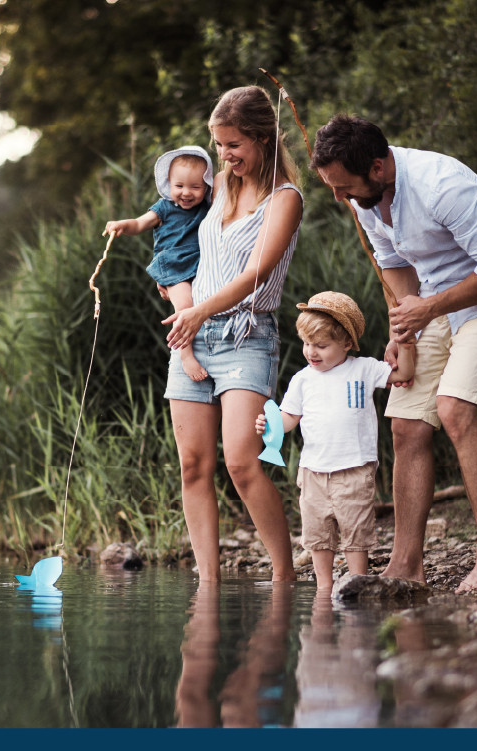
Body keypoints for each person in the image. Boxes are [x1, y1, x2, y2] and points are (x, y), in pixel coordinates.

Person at [311, 114, 477, 594]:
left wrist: (427, 307)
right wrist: (402, 325)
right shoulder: (364, 200)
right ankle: (406, 565)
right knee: (407, 424)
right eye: (333, 188)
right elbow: (394, 265)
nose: (340, 198)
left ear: (378, 166)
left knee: (454, 411)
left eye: (345, 187)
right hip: (432, 306)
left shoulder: (442, 184)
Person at [162, 85, 304, 583]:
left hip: (248, 336)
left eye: (234, 145)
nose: (224, 156)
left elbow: (257, 275)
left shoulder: (286, 198)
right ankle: (208, 584)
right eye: (220, 145)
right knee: (193, 466)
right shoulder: (218, 183)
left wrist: (198, 311)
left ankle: (284, 577)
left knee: (243, 462)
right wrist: (180, 296)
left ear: (263, 139)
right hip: (193, 337)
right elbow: (174, 241)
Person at [255, 291, 414, 597]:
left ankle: (358, 581)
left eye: (321, 345)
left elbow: (403, 373)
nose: (311, 352)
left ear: (346, 343)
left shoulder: (363, 368)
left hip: (354, 469)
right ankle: (324, 588)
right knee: (317, 535)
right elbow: (289, 418)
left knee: (356, 531)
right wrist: (269, 424)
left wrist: (405, 344)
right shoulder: (303, 379)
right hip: (313, 472)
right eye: (307, 343)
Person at [104, 146, 215, 381]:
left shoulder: (207, 209)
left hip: (199, 265)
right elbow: (140, 223)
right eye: (179, 186)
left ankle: (207, 346)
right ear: (169, 184)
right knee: (185, 306)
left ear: (206, 186)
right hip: (173, 265)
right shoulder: (164, 207)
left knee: (203, 303)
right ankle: (185, 355)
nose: (186, 193)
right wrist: (123, 225)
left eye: (195, 187)